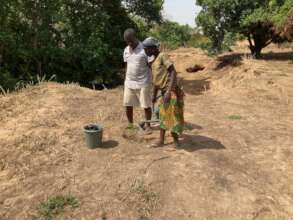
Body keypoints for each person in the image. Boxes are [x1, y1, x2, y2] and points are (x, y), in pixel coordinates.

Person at [143, 37, 185, 147]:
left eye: (146, 49)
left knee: (170, 115)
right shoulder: (153, 61)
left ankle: (171, 140)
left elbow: (173, 73)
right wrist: (154, 95)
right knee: (164, 115)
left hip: (170, 91)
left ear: (152, 48)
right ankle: (167, 140)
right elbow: (157, 81)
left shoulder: (162, 56)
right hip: (163, 91)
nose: (145, 51)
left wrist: (168, 92)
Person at [123, 29, 153, 134]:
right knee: (127, 104)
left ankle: (148, 126)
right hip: (129, 82)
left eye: (131, 41)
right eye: (127, 41)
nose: (129, 43)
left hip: (143, 82)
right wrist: (125, 79)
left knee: (146, 105)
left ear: (135, 37)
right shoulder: (126, 50)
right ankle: (131, 125)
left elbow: (151, 66)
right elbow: (127, 65)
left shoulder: (145, 50)